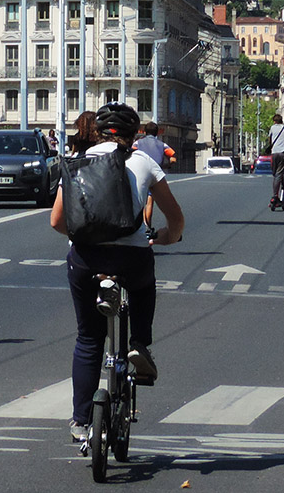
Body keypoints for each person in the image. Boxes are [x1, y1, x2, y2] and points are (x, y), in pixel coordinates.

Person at [49, 102, 185, 444]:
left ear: (97, 131)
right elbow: (176, 218)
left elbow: (56, 221)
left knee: (88, 339)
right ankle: (139, 342)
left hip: (86, 261)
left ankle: (82, 421)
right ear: (133, 133)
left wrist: (86, 238)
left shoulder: (77, 162)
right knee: (143, 286)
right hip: (132, 257)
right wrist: (166, 237)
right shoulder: (144, 162)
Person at [268, 113, 284, 208]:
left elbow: (270, 140)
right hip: (283, 154)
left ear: (274, 121)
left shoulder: (272, 128)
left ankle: (276, 196)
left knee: (276, 175)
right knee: (279, 174)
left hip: (274, 154)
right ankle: (275, 196)